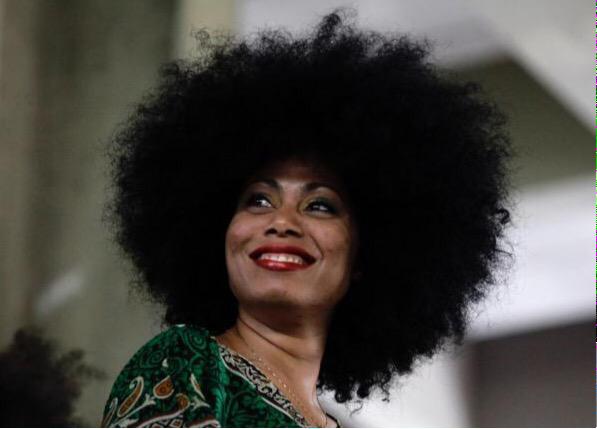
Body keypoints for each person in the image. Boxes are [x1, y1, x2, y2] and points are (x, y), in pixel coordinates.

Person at [101, 10, 513, 428]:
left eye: (319, 205)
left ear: (366, 255)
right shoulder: (186, 361)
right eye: (259, 200)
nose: (282, 221)